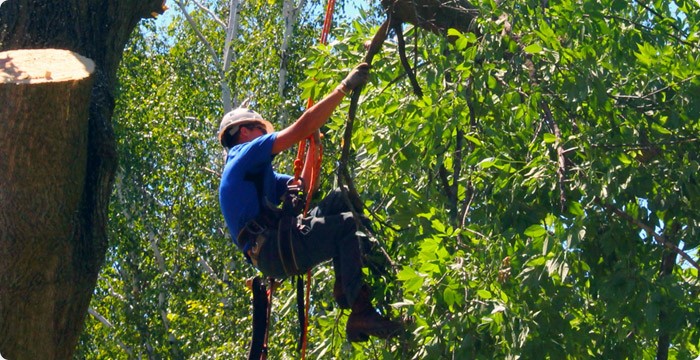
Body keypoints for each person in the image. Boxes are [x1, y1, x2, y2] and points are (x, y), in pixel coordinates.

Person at [217, 63, 402, 342]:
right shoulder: (243, 154)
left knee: (342, 200)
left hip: (279, 242)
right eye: (259, 128)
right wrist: (344, 87)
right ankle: (360, 310)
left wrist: (315, 148)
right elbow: (299, 127)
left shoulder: (257, 172)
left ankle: (345, 286)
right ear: (243, 131)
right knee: (348, 226)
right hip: (273, 248)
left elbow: (302, 189)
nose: (263, 134)